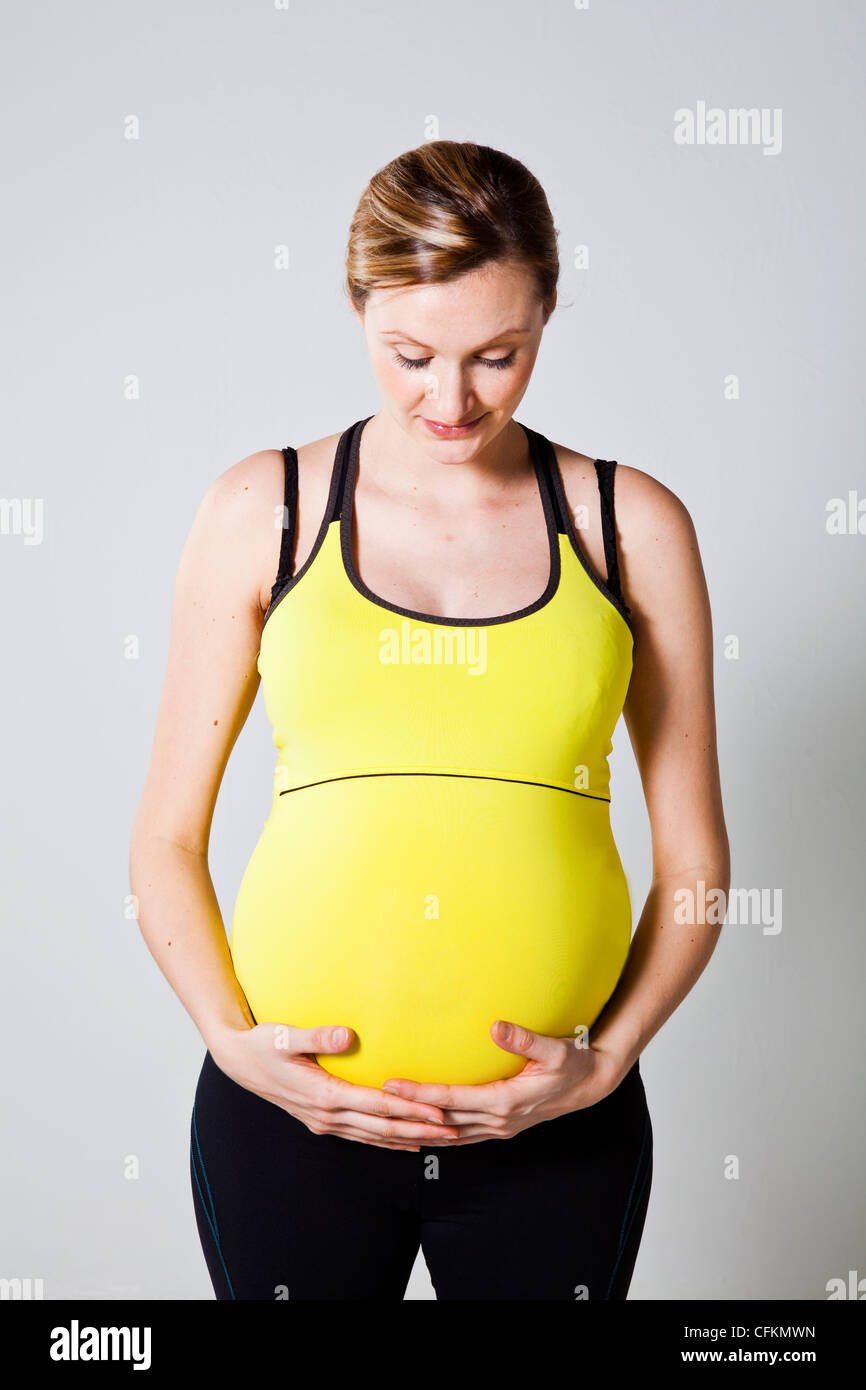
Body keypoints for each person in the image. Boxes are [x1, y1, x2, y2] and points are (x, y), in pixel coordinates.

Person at [129, 140, 730, 1301]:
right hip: (289, 1124)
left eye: (497, 356)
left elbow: (697, 863)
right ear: (356, 307)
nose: (449, 400)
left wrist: (603, 1064)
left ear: (549, 309)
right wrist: (231, 1043)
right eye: (410, 355)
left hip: (553, 1134)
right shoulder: (267, 508)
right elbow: (162, 842)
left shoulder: (629, 524)